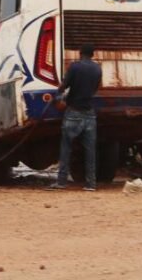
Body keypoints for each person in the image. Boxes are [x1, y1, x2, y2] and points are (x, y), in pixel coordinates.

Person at [50, 44, 103, 191]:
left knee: (66, 148)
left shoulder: (75, 67)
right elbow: (95, 88)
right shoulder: (97, 69)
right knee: (90, 151)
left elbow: (64, 86)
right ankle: (91, 184)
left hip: (73, 112)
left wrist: (57, 97)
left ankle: (62, 182)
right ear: (92, 54)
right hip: (89, 113)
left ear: (80, 53)